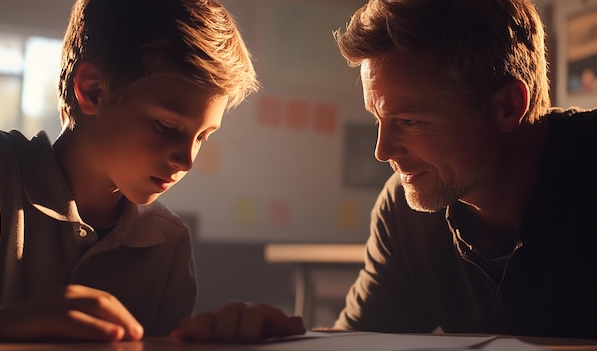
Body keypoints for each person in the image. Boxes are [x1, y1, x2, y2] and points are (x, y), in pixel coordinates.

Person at [171, 0, 597, 342]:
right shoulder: (403, 208)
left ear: (508, 106)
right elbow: (361, 338)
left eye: (409, 121)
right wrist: (274, 337)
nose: (382, 151)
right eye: (378, 119)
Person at [0, 0, 258, 342]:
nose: (186, 161)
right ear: (93, 90)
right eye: (167, 126)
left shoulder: (168, 243)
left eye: (203, 137)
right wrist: (5, 325)